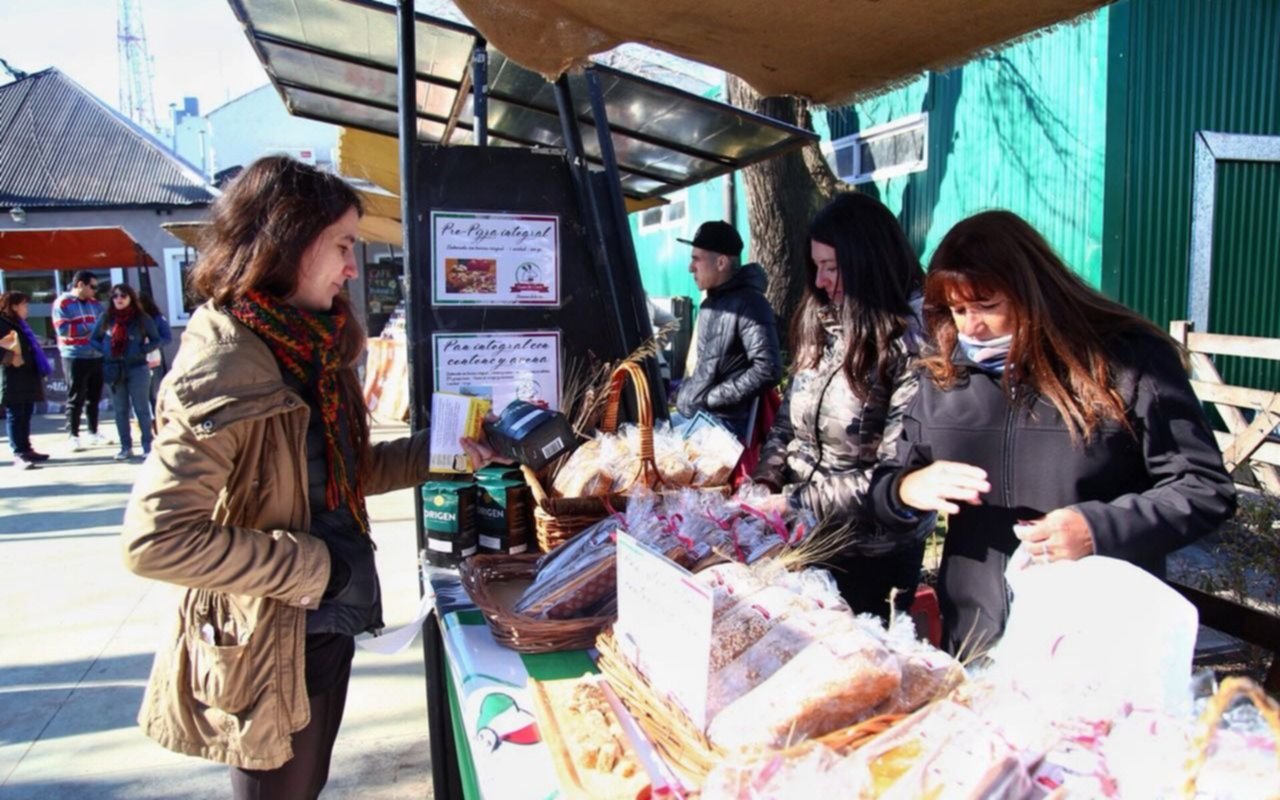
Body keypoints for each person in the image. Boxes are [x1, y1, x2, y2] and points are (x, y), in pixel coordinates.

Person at [121, 155, 431, 799]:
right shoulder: (226, 366)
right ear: (287, 242)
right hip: (271, 636)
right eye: (343, 245)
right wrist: (319, 570)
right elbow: (157, 540)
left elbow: (348, 471)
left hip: (326, 620)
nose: (353, 266)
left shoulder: (311, 344)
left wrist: (453, 450)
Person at [868, 210, 1237, 656]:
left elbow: (1203, 487)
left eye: (987, 306)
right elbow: (887, 486)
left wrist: (1097, 528)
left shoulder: (1125, 361)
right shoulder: (943, 374)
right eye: (957, 309)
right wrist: (908, 488)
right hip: (976, 637)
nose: (970, 326)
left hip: (1096, 639)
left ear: (1033, 292)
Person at [752, 193, 934, 619]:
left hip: (873, 552)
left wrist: (794, 502)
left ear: (868, 261)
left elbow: (898, 474)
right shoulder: (824, 321)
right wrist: (765, 482)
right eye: (816, 267)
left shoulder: (912, 341)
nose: (820, 281)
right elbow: (787, 422)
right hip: (805, 535)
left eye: (832, 268)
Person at [673, 220, 782, 439]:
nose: (690, 267)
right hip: (696, 416)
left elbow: (768, 369)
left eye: (696, 259)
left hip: (723, 426)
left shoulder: (751, 304)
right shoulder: (708, 305)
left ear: (721, 262)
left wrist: (711, 397)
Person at [90, 284, 161, 461]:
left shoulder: (141, 318)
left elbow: (156, 339)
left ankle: (147, 445)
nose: (119, 299)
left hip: (137, 367)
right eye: (115, 296)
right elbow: (93, 339)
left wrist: (142, 349)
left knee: (142, 408)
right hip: (114, 368)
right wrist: (106, 350)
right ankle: (125, 447)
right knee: (120, 410)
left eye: (123, 296)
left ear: (130, 298)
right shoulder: (106, 317)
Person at [53, 270, 108, 450]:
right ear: (80, 285)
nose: (95, 291)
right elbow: (63, 329)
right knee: (75, 395)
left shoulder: (95, 304)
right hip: (74, 354)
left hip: (96, 354)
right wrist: (91, 328)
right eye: (92, 287)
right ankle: (73, 435)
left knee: (94, 396)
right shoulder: (63, 302)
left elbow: (104, 325)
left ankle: (93, 432)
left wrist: (94, 331)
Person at [0, 291, 53, 469]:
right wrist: (10, 357)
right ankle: (19, 453)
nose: (27, 308)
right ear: (14, 306)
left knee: (26, 413)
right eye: (24, 304)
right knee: (16, 415)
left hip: (28, 374)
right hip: (13, 376)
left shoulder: (20, 323)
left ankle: (27, 448)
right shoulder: (2, 322)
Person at [137, 292, 173, 413]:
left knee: (154, 393)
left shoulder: (157, 318)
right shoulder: (131, 318)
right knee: (139, 395)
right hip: (135, 360)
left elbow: (167, 337)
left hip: (153, 360)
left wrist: (153, 343)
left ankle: (156, 421)